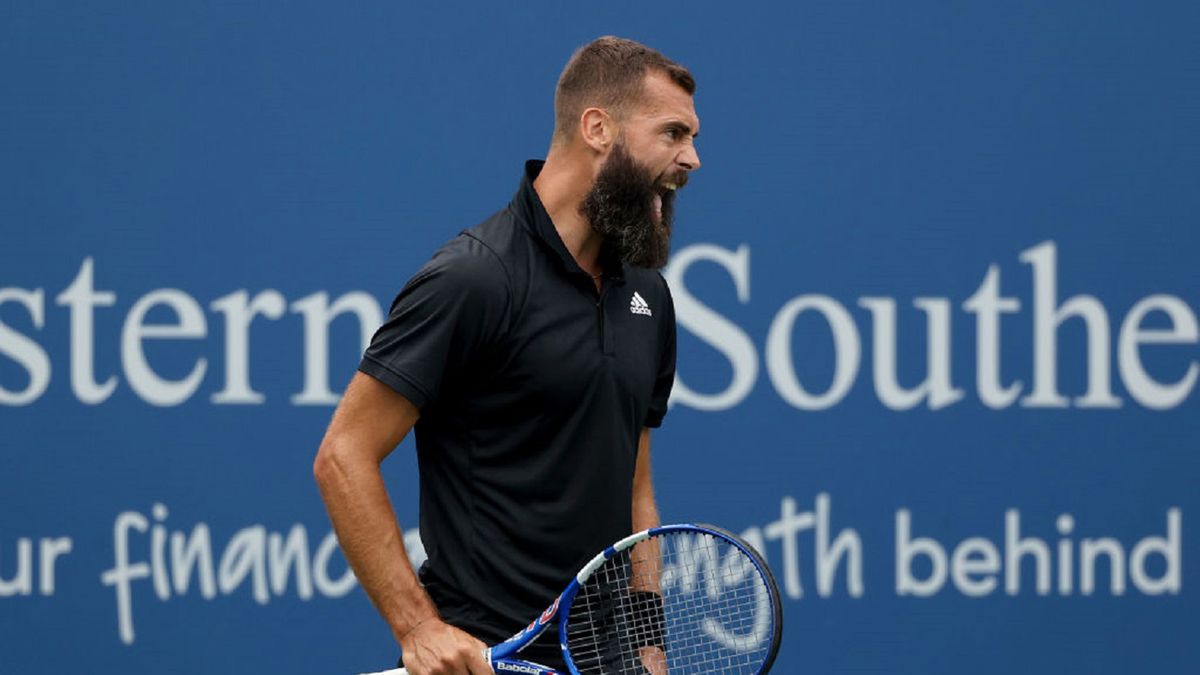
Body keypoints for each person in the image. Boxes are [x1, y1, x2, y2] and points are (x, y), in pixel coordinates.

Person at [313, 36, 701, 675]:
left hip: (607, 661)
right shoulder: (474, 279)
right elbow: (342, 455)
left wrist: (647, 643)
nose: (692, 157)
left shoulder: (648, 296)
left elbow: (635, 486)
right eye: (672, 133)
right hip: (483, 658)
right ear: (598, 129)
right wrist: (418, 627)